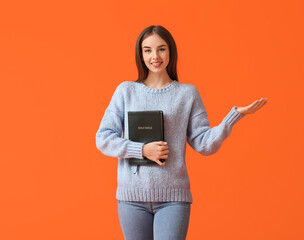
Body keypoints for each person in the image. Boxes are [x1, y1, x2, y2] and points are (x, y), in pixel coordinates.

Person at [95, 25, 267, 240]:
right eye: (147, 50)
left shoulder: (187, 94)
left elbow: (205, 144)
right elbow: (103, 138)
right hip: (131, 198)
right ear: (140, 55)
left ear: (171, 52)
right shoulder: (125, 91)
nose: (154, 56)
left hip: (173, 199)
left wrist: (232, 117)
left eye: (161, 49)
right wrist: (142, 149)